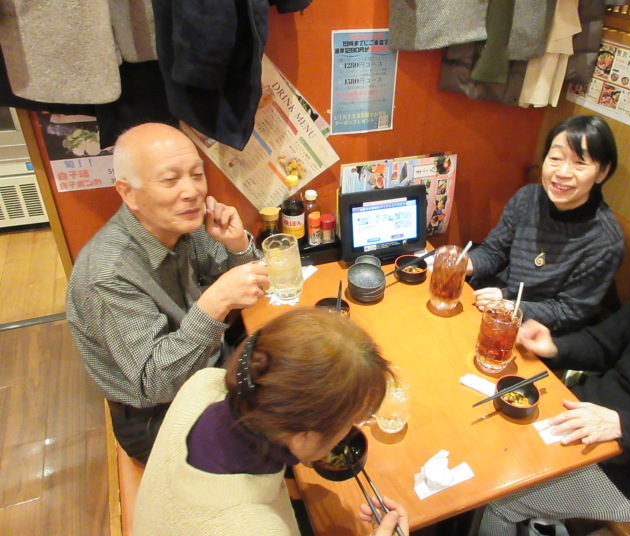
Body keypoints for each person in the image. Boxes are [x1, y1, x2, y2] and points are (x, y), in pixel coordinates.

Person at [477, 210, 630, 536]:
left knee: (499, 500)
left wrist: (622, 426)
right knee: (483, 448)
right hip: (579, 415)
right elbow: (604, 343)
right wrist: (554, 347)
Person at [66, 123, 269, 463]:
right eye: (170, 179)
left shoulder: (186, 224)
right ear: (128, 192)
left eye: (196, 175)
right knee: (281, 435)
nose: (191, 191)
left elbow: (255, 283)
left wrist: (237, 246)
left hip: (211, 366)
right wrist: (214, 303)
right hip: (156, 413)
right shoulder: (106, 275)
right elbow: (156, 383)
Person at [133, 308, 410, 536]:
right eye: (349, 422)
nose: (348, 432)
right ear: (303, 437)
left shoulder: (205, 383)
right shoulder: (253, 528)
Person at [467, 115, 624, 334]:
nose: (563, 173)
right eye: (556, 158)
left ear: (603, 172)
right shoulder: (528, 198)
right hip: (492, 305)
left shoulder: (604, 241)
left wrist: (510, 306)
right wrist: (464, 263)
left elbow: (568, 312)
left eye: (580, 163)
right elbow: (494, 251)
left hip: (535, 333)